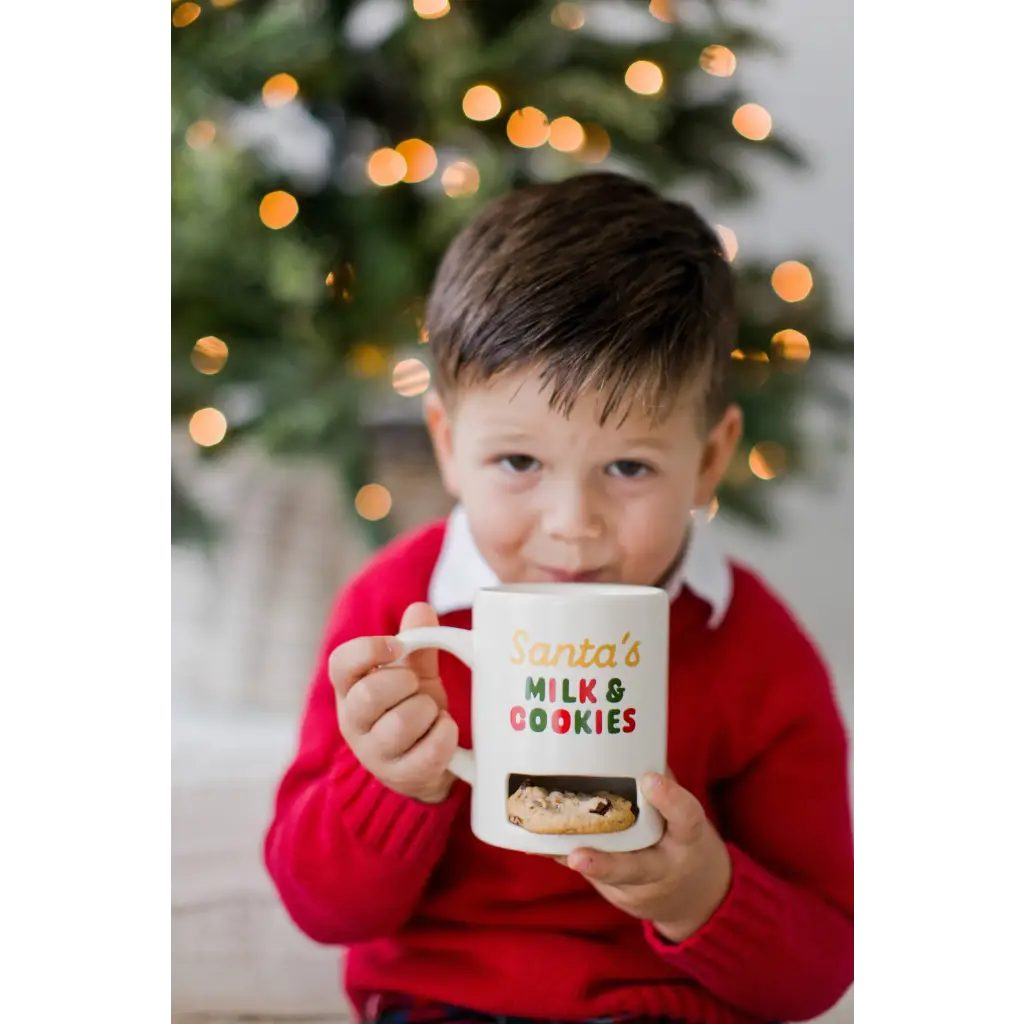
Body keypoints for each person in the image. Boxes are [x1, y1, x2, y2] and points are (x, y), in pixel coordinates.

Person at [263, 172, 854, 1024]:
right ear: (448, 446)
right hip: (440, 1005)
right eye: (518, 463)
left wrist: (702, 895)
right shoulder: (397, 615)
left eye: (629, 468)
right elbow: (324, 912)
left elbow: (819, 973)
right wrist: (389, 784)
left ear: (711, 460)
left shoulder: (755, 649)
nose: (572, 526)